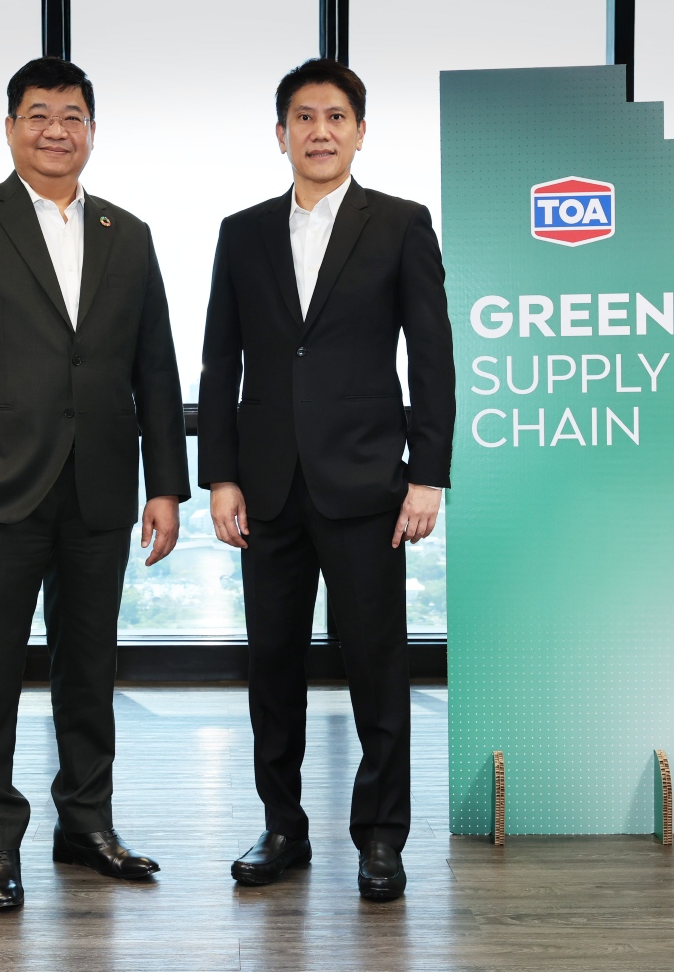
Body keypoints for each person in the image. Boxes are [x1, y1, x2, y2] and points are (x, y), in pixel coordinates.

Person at [0, 57, 189, 911]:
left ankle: (85, 823)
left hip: (99, 489)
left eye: (72, 116)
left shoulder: (128, 233)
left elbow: (155, 368)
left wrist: (166, 486)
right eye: (38, 114)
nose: (56, 130)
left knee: (89, 669)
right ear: (11, 127)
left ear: (92, 129)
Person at [198, 58, 455, 901]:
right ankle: (283, 827)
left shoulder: (402, 224)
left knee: (377, 666)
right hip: (267, 489)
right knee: (272, 668)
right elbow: (220, 361)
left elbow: (433, 355)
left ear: (360, 132)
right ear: (281, 134)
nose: (320, 131)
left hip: (369, 484)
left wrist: (428, 475)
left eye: (336, 116)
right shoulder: (242, 232)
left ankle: (380, 837)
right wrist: (220, 476)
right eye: (303, 117)